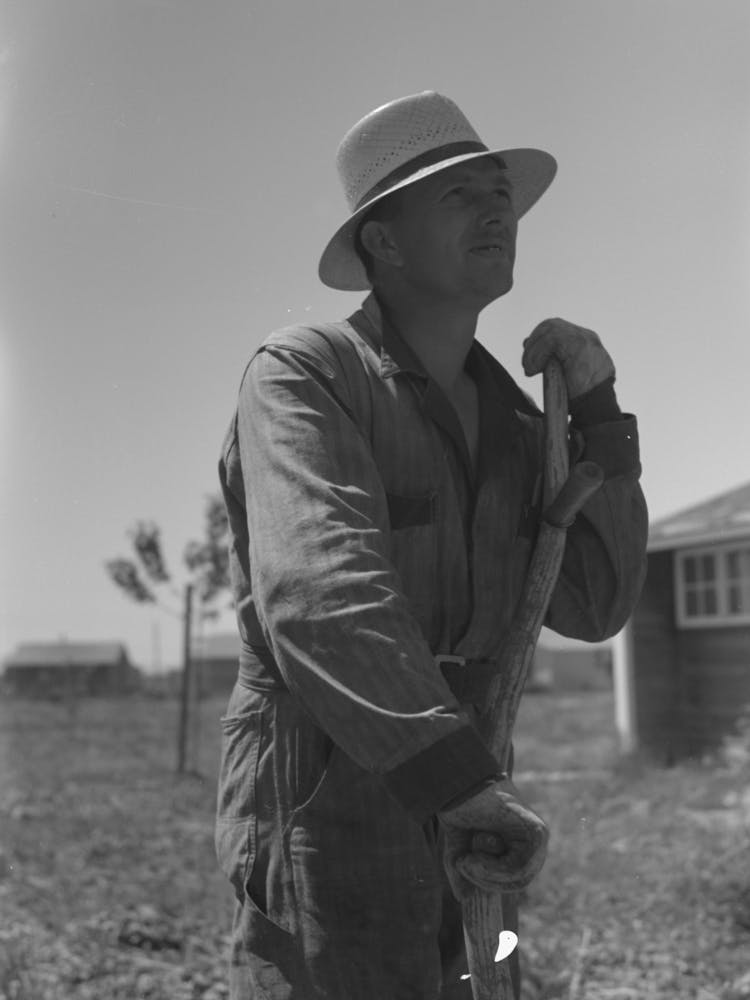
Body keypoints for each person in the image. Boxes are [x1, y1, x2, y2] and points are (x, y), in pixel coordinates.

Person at [215, 91, 648, 1000]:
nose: (498, 211)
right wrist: (454, 782)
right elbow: (320, 598)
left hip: (476, 784)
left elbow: (597, 601)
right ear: (385, 240)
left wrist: (598, 414)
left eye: (501, 194)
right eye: (458, 196)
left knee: (477, 977)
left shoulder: (523, 423)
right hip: (333, 783)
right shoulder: (307, 375)